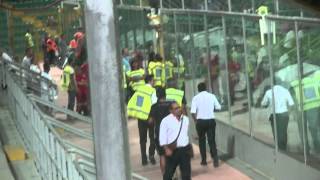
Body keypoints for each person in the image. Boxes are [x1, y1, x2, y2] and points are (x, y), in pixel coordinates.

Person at [127, 75, 157, 165]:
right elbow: (154, 104)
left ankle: (144, 159)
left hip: (141, 118)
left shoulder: (139, 90)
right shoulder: (152, 91)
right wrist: (151, 117)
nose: (154, 82)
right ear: (151, 81)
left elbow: (138, 103)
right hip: (150, 117)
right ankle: (151, 155)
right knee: (152, 138)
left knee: (142, 139)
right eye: (153, 80)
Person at [191, 82, 221, 167]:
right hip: (210, 120)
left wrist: (196, 121)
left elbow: (193, 112)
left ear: (198, 89)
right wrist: (211, 110)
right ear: (206, 88)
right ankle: (215, 159)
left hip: (200, 121)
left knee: (202, 140)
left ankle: (204, 160)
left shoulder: (195, 98)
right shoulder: (212, 96)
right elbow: (218, 107)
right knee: (211, 140)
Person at [159, 101, 191, 180]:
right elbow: (162, 137)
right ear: (171, 111)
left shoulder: (186, 119)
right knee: (168, 175)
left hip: (184, 150)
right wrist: (166, 149)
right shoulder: (165, 121)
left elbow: (186, 134)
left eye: (179, 107)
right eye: (176, 108)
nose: (179, 109)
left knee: (186, 175)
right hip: (172, 151)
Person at [261, 82, 294, 151]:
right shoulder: (285, 91)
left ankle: (279, 147)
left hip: (274, 115)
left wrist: (267, 105)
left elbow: (263, 103)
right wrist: (288, 113)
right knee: (283, 131)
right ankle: (283, 147)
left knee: (275, 131)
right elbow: (291, 104)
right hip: (284, 114)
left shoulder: (268, 92)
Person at [149, 87, 172, 172]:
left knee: (162, 156)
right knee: (173, 155)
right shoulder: (171, 104)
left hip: (159, 133)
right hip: (171, 132)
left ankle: (165, 176)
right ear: (165, 94)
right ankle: (175, 175)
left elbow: (150, 121)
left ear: (157, 95)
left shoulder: (154, 106)